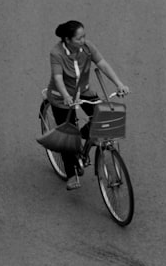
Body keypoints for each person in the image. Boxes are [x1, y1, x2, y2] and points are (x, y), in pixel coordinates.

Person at [47, 20, 130, 191]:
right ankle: (70, 174)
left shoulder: (87, 48)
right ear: (67, 39)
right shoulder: (56, 53)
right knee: (67, 136)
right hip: (62, 97)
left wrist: (119, 84)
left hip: (84, 91)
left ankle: (81, 136)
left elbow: (103, 65)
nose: (83, 41)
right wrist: (66, 96)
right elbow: (58, 79)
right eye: (79, 38)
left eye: (84, 36)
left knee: (103, 117)